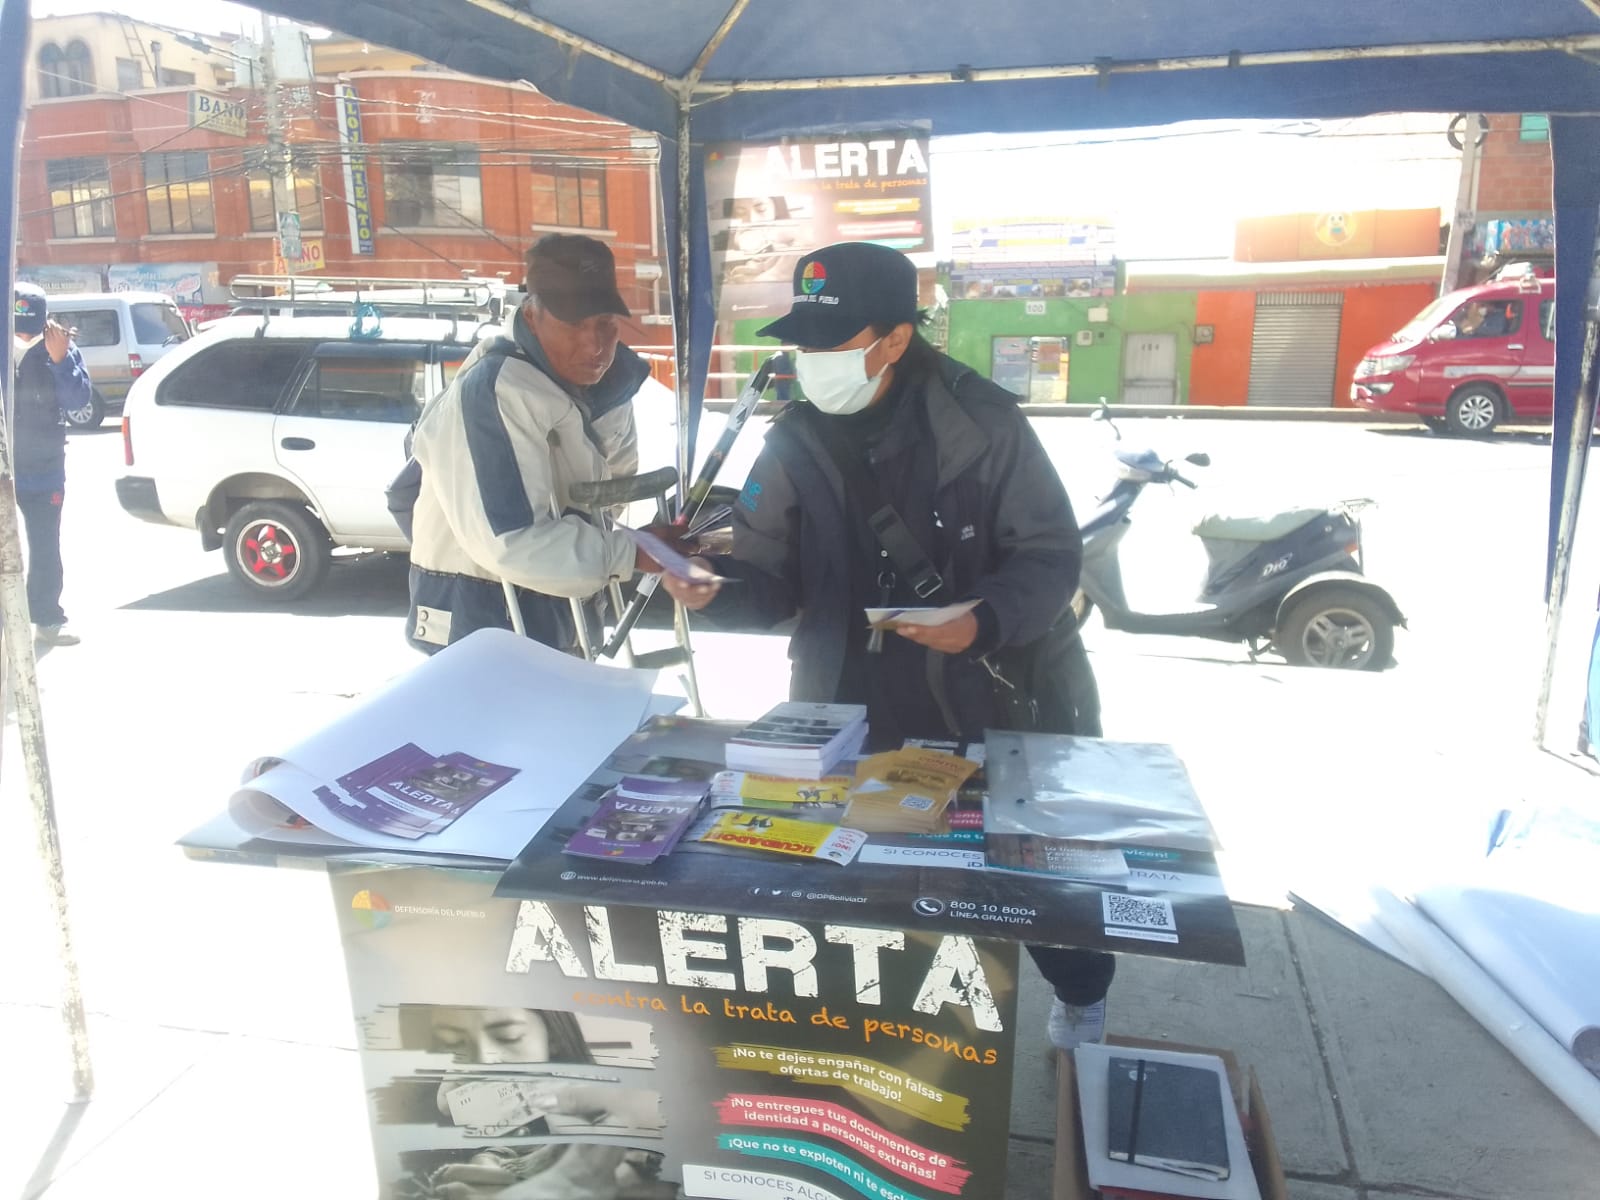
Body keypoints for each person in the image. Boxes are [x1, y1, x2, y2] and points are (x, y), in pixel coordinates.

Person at [659, 241, 1113, 1052]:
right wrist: (714, 591)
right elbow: (768, 577)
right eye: (801, 343)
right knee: (856, 873)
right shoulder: (793, 439)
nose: (809, 362)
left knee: (1030, 876)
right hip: (844, 702)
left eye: (831, 343)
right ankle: (887, 1026)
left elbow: (1049, 553)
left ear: (895, 339)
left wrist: (985, 620)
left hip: (983, 687)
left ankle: (1082, 998)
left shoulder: (981, 423)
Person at [405, 235, 673, 654]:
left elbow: (609, 498)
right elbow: (512, 540)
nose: (595, 344)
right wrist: (629, 552)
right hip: (481, 617)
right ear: (532, 317)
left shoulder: (610, 386)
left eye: (606, 322)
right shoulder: (497, 388)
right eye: (574, 324)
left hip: (565, 610)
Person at [11, 284, 90, 647]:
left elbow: (78, 400)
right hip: (4, 463)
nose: (25, 335)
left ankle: (46, 618)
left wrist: (60, 361)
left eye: (32, 327)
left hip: (43, 469)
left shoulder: (59, 349)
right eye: (18, 326)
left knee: (44, 546)